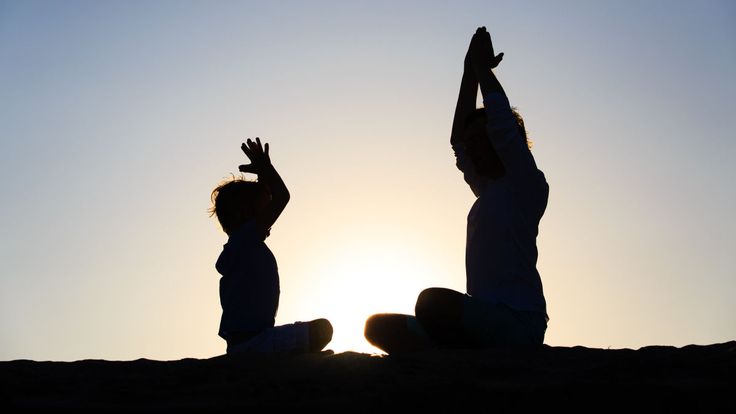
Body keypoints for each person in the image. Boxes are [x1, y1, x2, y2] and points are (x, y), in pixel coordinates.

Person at [364, 27, 549, 353]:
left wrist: (482, 69)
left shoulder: (526, 185)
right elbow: (457, 141)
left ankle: (454, 350)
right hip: (480, 321)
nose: (474, 147)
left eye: (483, 139)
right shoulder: (487, 189)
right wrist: (468, 70)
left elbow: (502, 124)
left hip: (518, 324)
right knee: (377, 326)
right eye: (474, 141)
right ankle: (453, 348)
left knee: (431, 302)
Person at [210, 137, 333, 354]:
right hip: (255, 343)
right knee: (323, 329)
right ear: (245, 213)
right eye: (262, 208)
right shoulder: (245, 241)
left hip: (246, 343)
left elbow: (267, 196)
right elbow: (281, 197)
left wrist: (262, 175)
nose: (268, 216)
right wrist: (267, 168)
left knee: (315, 332)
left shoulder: (240, 246)